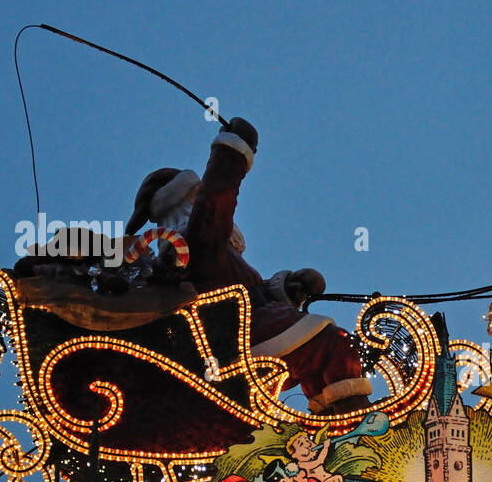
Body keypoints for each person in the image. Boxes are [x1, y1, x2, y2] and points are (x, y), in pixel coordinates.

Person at [126, 117, 373, 414]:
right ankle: (354, 423)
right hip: (243, 339)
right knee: (331, 346)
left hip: (250, 330)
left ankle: (335, 419)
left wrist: (287, 288)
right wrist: (231, 153)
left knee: (325, 352)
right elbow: (215, 200)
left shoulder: (212, 254)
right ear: (188, 204)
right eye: (196, 196)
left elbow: (245, 289)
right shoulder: (197, 241)